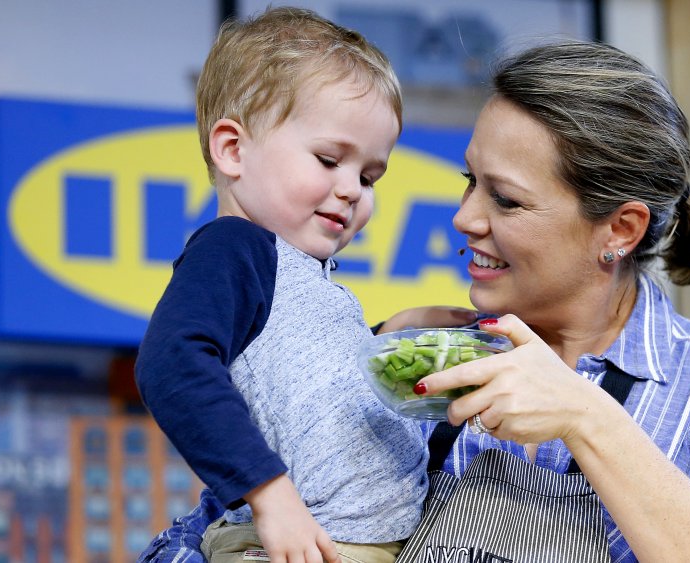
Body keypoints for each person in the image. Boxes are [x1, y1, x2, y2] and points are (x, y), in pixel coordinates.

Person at [140, 39, 690, 563]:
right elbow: (217, 529)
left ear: (620, 230)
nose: (464, 218)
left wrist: (584, 415)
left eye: (505, 199)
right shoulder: (411, 358)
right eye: (469, 181)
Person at [134, 7, 476, 563]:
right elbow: (172, 362)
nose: (351, 190)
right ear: (233, 149)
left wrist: (389, 333)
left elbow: (292, 374)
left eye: (368, 177)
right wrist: (271, 497)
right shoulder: (234, 248)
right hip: (299, 544)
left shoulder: (300, 273)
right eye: (328, 159)